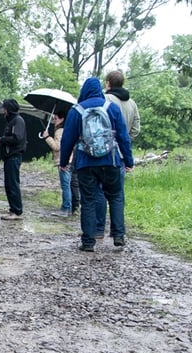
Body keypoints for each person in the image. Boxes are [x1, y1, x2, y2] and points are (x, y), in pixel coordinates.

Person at [59, 77, 134, 252]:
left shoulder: (76, 111)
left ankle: (88, 242)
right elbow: (123, 137)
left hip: (86, 162)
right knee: (116, 196)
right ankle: (118, 235)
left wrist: (64, 162)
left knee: (89, 200)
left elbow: (67, 140)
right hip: (111, 160)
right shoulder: (112, 108)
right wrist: (129, 161)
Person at [94, 70, 140, 238]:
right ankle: (118, 232)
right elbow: (136, 129)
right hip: (121, 155)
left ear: (108, 83)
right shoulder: (132, 104)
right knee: (117, 194)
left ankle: (99, 229)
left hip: (103, 153)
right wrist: (125, 142)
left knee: (99, 190)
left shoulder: (105, 101)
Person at [0, 99, 27, 220]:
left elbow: (17, 138)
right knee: (9, 184)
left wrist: (0, 140)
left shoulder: (18, 121)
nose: (3, 111)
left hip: (14, 156)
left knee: (13, 184)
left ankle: (16, 211)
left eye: (4, 108)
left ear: (8, 109)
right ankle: (13, 209)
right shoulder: (12, 121)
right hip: (9, 157)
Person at [41, 110, 73, 216]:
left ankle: (66, 208)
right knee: (68, 185)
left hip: (63, 161)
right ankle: (69, 207)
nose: (54, 120)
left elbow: (57, 147)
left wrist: (47, 137)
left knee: (65, 186)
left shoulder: (60, 131)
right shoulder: (67, 129)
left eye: (56, 118)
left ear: (62, 119)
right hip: (69, 160)